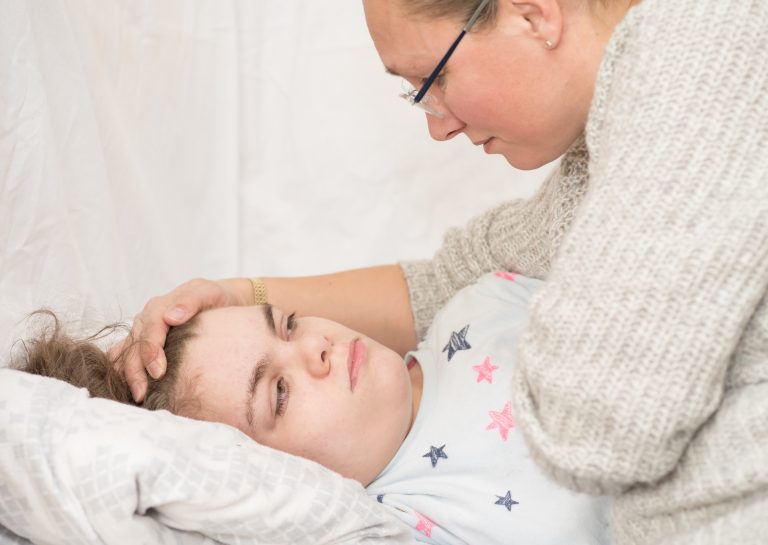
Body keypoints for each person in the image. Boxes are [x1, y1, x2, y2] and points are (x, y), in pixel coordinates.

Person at [117, 0, 768, 543]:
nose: (439, 128)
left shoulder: (698, 66)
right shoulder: (602, 150)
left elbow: (595, 425)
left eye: (432, 83)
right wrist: (236, 295)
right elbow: (456, 274)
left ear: (533, 14)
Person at [16, 273, 610, 544]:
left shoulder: (479, 302)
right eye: (279, 392)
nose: (316, 349)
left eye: (288, 324)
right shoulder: (411, 522)